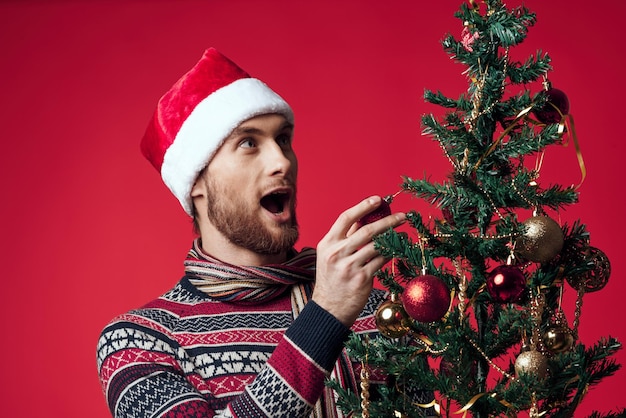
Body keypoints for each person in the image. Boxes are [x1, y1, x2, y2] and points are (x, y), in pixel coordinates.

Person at [96, 48, 407, 418]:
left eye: (284, 139)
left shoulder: (379, 312)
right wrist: (325, 316)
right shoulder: (138, 341)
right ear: (197, 183)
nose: (281, 162)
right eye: (248, 143)